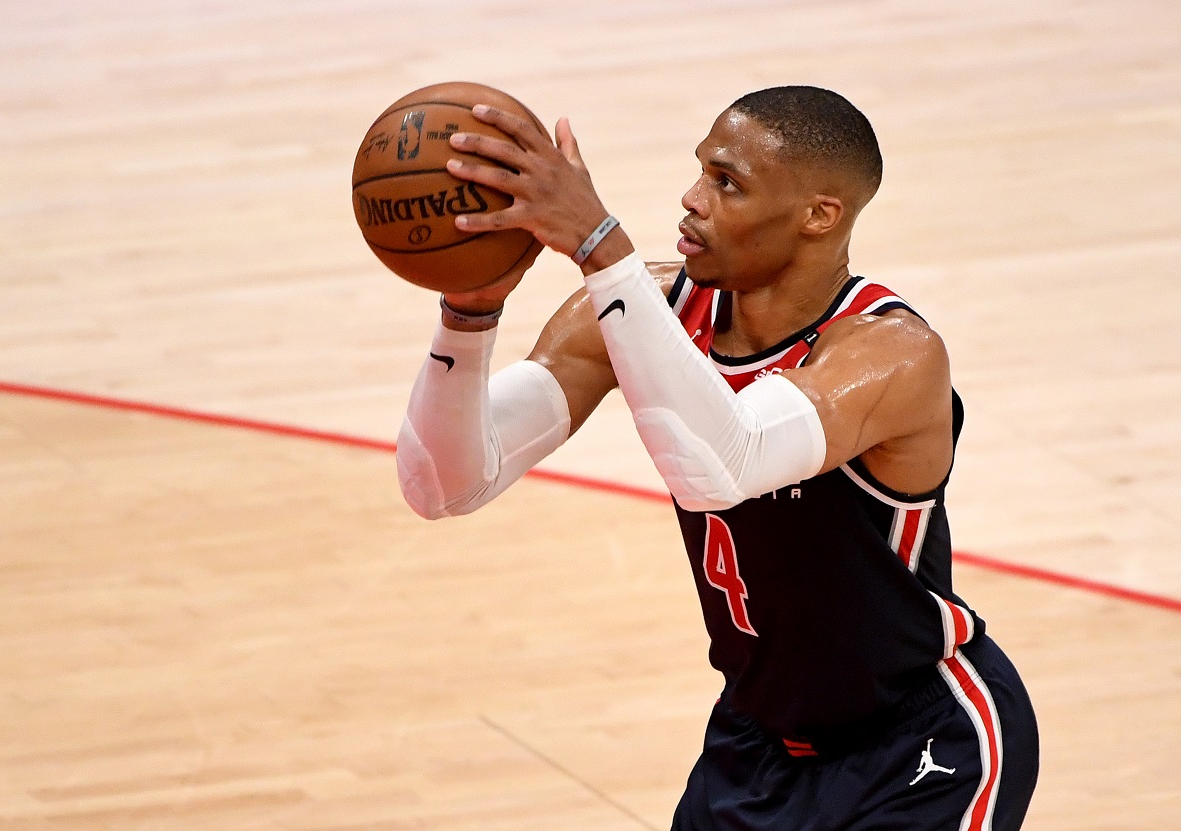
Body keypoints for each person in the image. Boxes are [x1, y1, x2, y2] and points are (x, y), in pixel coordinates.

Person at [396, 85, 1040, 831]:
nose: (691, 198)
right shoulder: (647, 311)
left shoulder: (891, 352)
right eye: (700, 169)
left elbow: (723, 461)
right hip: (754, 743)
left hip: (918, 749)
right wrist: (467, 313)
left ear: (818, 215)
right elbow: (442, 482)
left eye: (726, 182)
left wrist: (598, 244)